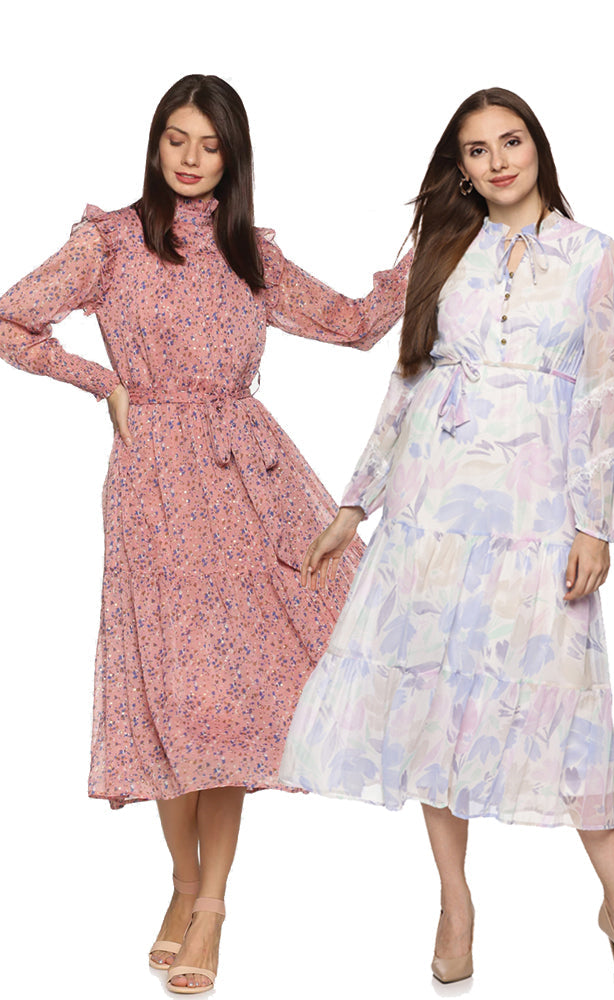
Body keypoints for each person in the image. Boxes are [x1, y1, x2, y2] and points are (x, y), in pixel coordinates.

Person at [0, 74, 411, 995]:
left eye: (210, 145)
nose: (190, 159)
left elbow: (352, 326)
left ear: (234, 157)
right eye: (176, 139)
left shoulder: (247, 252)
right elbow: (9, 318)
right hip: (152, 490)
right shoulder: (110, 241)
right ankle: (182, 884)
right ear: (155, 145)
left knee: (232, 699)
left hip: (245, 485)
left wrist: (427, 250)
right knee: (174, 696)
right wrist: (102, 383)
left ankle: (212, 902)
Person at [279, 87, 614, 990]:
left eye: (511, 141)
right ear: (459, 168)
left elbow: (610, 392)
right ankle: (455, 903)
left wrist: (596, 524)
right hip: (433, 509)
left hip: (536, 517)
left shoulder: (594, 256)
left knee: (573, 709)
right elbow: (406, 383)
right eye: (476, 149)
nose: (497, 161)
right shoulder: (443, 249)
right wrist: (354, 505)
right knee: (436, 706)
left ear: (538, 148)